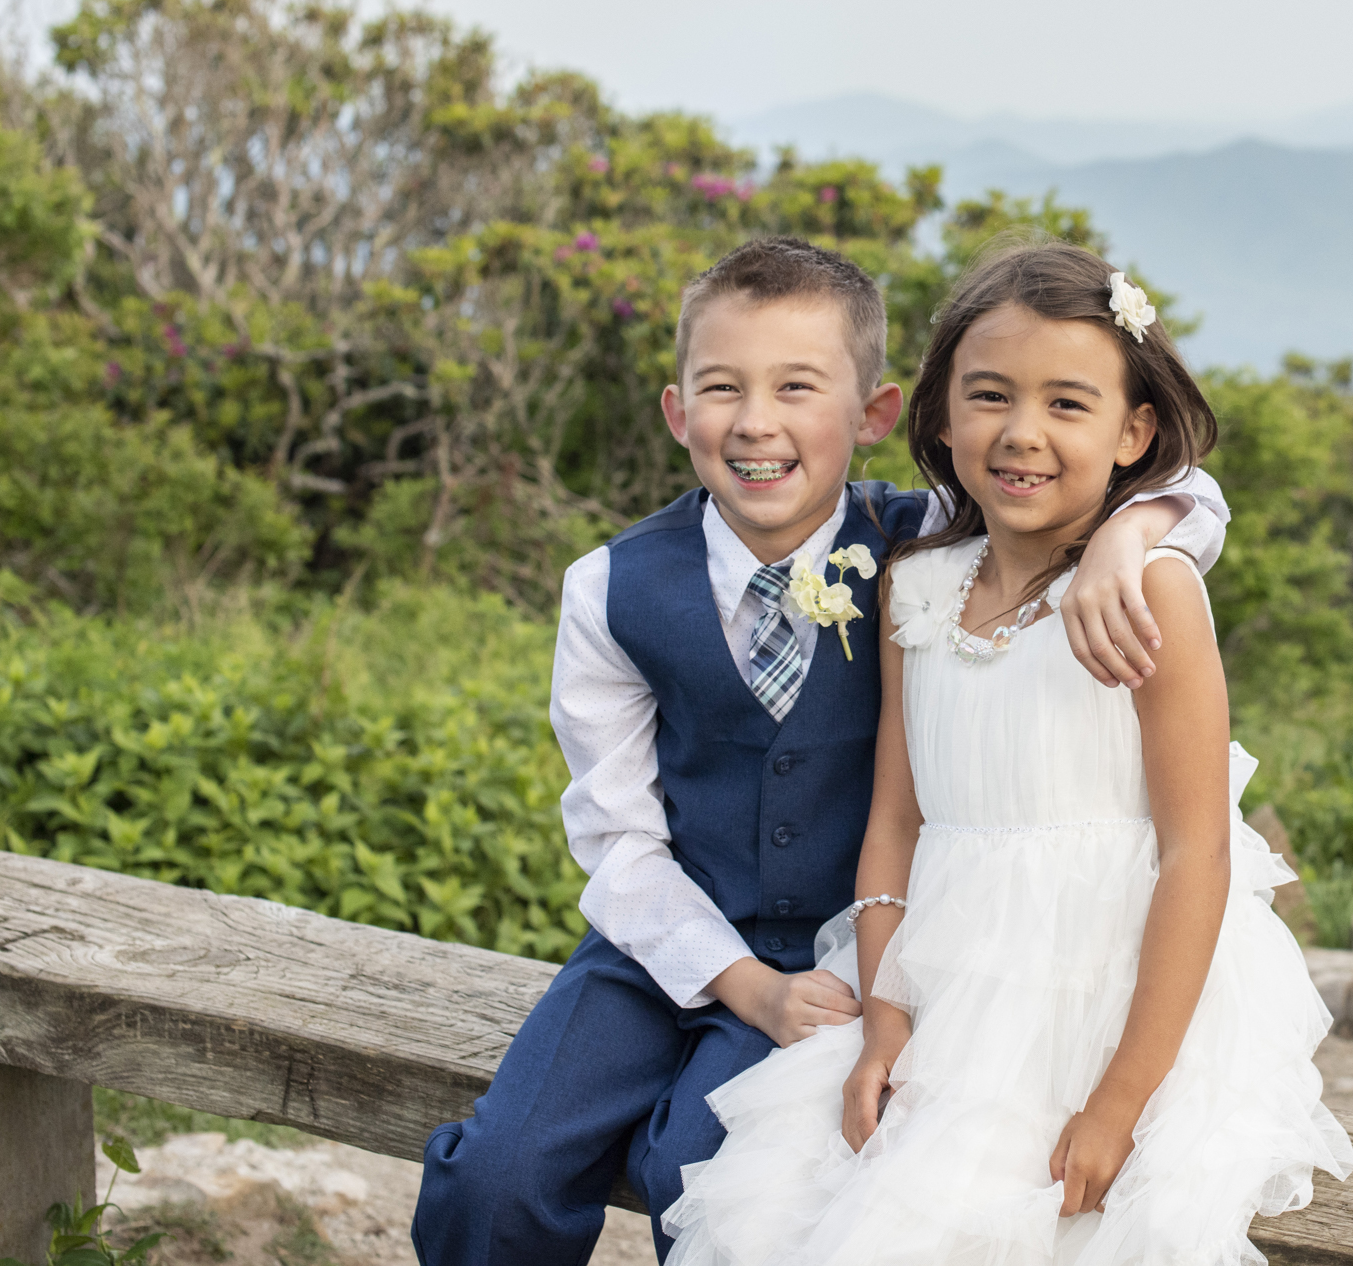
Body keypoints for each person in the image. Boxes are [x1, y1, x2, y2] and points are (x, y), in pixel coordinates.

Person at [410, 236, 1234, 1266]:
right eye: (722, 389)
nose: (757, 423)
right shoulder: (608, 589)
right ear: (678, 412)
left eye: (797, 387)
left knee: (704, 1173)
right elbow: (617, 841)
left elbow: (1159, 486)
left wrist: (1128, 532)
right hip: (664, 945)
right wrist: (740, 982)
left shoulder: (928, 540)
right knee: (498, 1172)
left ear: (877, 416)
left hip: (845, 964)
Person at [659, 241, 1353, 1266]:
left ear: (1134, 430)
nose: (1022, 434)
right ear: (940, 416)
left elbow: (1196, 853)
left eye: (1068, 406)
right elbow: (897, 819)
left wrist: (1119, 1103)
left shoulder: (1150, 590)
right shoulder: (917, 581)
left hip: (1108, 999)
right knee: (778, 1214)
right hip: (940, 986)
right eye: (989, 397)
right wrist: (888, 1017)